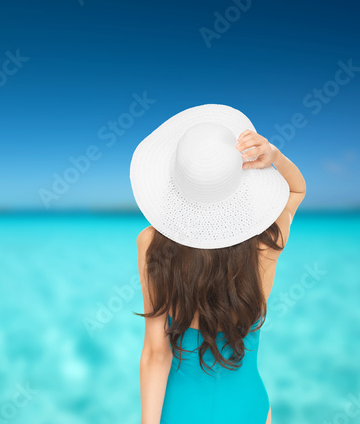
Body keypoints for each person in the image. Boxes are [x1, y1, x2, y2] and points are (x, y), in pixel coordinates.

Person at [129, 104, 306, 424]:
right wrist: (274, 156)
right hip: (249, 406)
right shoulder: (265, 243)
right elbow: (296, 189)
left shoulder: (152, 245)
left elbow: (156, 355)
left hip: (181, 410)